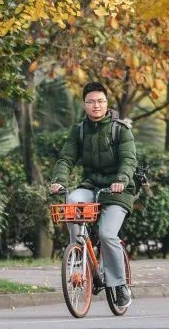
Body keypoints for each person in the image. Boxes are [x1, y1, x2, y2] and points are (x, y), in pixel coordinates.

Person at [50, 81, 137, 309]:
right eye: (91, 102)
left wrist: (121, 180)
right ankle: (78, 252)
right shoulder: (79, 130)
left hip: (118, 191)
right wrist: (59, 180)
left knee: (107, 234)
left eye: (100, 101)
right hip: (91, 186)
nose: (96, 105)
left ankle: (119, 286)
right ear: (84, 104)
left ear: (107, 103)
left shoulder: (120, 129)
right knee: (72, 200)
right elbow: (66, 158)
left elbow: (129, 160)